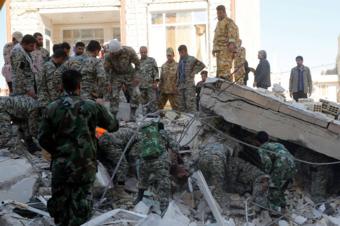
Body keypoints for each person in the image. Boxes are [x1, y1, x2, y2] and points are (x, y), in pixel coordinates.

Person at [38, 70, 118, 226]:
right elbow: (113, 125)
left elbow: (42, 138)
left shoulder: (52, 107)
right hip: (84, 165)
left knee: (61, 206)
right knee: (81, 206)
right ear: (79, 86)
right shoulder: (91, 106)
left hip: (61, 165)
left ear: (61, 85)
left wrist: (58, 151)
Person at [196, 142, 270, 208]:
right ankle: (216, 206)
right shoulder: (235, 163)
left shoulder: (235, 162)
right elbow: (230, 182)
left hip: (201, 158)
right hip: (216, 161)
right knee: (217, 189)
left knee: (202, 179)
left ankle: (197, 193)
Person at [134, 121, 178, 214]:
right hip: (160, 162)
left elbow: (136, 150)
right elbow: (175, 146)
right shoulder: (163, 133)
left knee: (142, 181)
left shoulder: (143, 133)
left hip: (144, 162)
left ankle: (138, 200)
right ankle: (164, 208)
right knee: (164, 184)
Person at [10, 34, 40, 152]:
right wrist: (29, 90)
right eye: (32, 46)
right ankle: (26, 141)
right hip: (22, 90)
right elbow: (19, 74)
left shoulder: (23, 51)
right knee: (24, 115)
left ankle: (27, 140)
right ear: (25, 44)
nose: (33, 49)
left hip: (26, 87)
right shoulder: (18, 52)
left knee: (24, 116)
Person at [254, 131, 297, 211]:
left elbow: (268, 163)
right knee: (280, 188)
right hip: (293, 166)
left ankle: (276, 210)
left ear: (256, 141)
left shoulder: (262, 149)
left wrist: (266, 177)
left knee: (273, 188)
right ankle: (283, 206)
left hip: (281, 166)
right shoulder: (277, 144)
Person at [104, 39, 140, 116]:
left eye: (114, 53)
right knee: (114, 95)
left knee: (136, 94)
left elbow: (138, 64)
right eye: (112, 53)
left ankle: (133, 113)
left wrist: (136, 77)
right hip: (116, 75)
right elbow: (106, 70)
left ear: (119, 51)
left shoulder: (129, 51)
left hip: (129, 74)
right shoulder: (108, 56)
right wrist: (108, 83)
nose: (112, 55)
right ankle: (114, 115)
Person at [96, 127, 133, 200]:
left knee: (109, 163)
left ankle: (110, 187)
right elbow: (131, 157)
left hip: (98, 141)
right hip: (106, 141)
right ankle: (120, 191)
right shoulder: (138, 138)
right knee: (123, 165)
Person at [213, 5, 240, 80]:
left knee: (225, 70)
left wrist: (231, 43)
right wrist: (214, 48)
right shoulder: (218, 24)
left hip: (225, 50)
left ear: (224, 12)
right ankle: (221, 83)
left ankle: (226, 84)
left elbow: (232, 32)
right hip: (219, 51)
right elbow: (216, 37)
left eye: (220, 13)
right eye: (217, 13)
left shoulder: (228, 22)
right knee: (220, 70)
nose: (218, 15)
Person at [177, 45, 205, 112]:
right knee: (181, 105)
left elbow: (201, 65)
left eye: (181, 52)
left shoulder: (191, 59)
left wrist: (194, 72)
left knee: (190, 104)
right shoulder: (180, 61)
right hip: (181, 86)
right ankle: (184, 120)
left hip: (189, 86)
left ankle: (193, 120)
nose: (180, 54)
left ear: (185, 51)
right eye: (179, 53)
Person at [138, 46, 159, 112]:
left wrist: (156, 83)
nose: (143, 54)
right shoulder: (138, 62)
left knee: (153, 103)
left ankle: (154, 116)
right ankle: (145, 118)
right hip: (141, 87)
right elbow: (136, 74)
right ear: (140, 53)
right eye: (142, 52)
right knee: (143, 104)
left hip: (150, 86)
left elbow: (156, 72)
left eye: (145, 52)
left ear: (147, 52)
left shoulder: (151, 60)